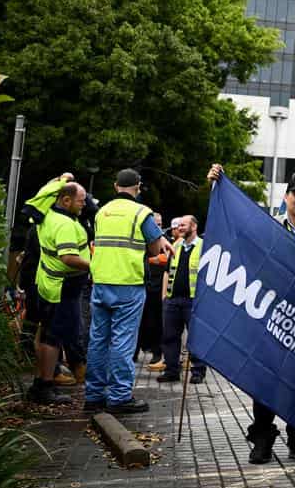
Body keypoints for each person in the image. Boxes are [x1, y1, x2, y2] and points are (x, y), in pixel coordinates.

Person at [85, 169, 171, 414]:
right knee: (123, 341)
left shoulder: (102, 212)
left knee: (98, 340)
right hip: (128, 284)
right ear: (138, 186)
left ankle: (93, 396)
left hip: (101, 281)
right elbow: (156, 250)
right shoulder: (141, 212)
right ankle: (119, 397)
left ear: (115, 186)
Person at [29, 181, 90, 405]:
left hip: (49, 282)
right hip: (63, 288)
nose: (84, 205)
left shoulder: (46, 215)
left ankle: (40, 383)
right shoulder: (64, 224)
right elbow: (68, 257)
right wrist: (95, 266)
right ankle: (45, 386)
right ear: (66, 200)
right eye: (81, 201)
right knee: (52, 338)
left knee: (46, 334)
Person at [156, 215, 205, 384]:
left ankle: (198, 371)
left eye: (184, 225)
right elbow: (167, 271)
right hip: (172, 300)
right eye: (179, 225)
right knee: (169, 337)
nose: (180, 227)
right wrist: (164, 297)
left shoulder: (203, 247)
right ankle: (171, 370)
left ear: (194, 226)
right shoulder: (175, 245)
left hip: (193, 301)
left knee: (196, 338)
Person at [138, 213, 168, 366]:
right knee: (139, 321)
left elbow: (166, 258)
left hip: (157, 288)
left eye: (160, 224)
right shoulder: (141, 240)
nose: (158, 227)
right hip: (141, 285)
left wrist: (151, 260)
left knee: (157, 322)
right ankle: (134, 352)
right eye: (155, 224)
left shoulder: (163, 241)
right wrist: (151, 260)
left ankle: (157, 353)